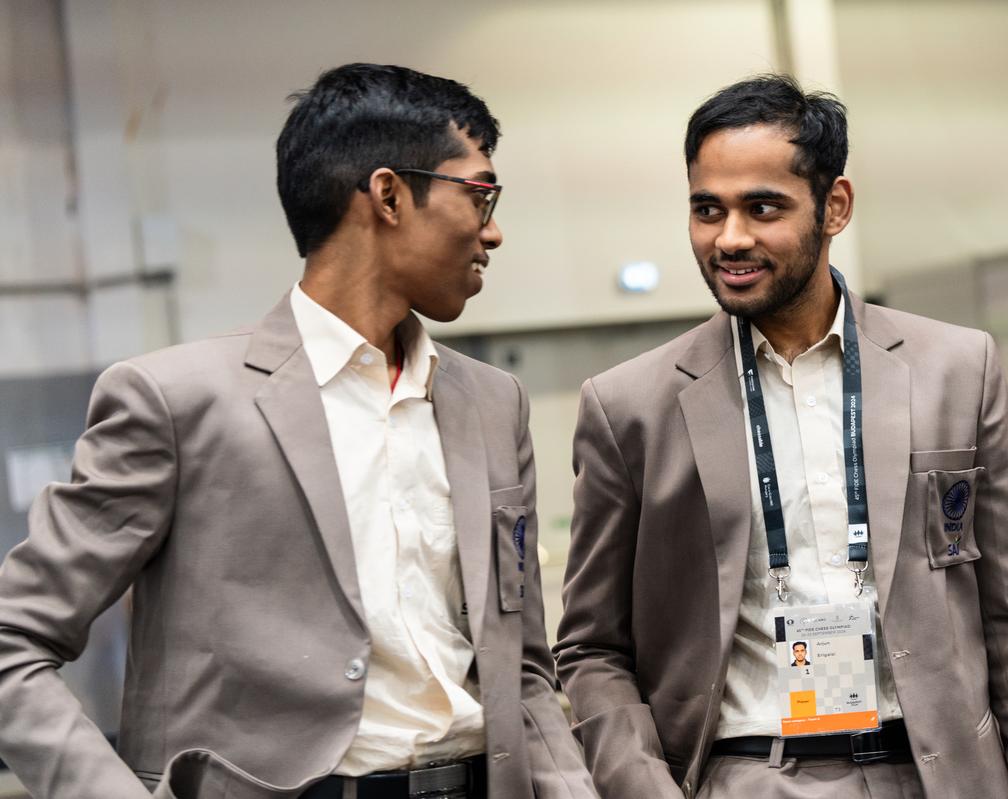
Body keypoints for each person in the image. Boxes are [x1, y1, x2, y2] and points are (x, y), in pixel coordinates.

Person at [0, 63, 597, 799]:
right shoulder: (177, 401)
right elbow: (12, 642)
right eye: (480, 194)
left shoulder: (491, 402)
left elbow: (524, 668)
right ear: (387, 195)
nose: (494, 230)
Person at [554, 75, 1008, 799]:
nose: (729, 237)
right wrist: (642, 784)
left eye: (763, 207)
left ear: (834, 206)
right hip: (745, 773)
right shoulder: (630, 407)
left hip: (938, 774)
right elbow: (591, 646)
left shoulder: (957, 369)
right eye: (707, 210)